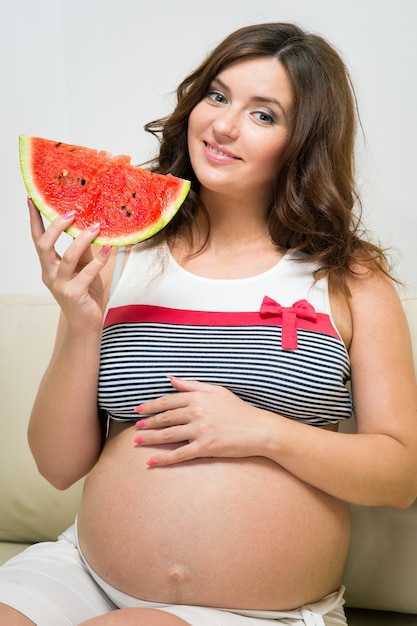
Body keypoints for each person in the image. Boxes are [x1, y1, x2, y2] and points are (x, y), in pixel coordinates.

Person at [1, 21, 416, 626]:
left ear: (305, 140)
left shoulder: (351, 277)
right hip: (84, 574)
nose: (223, 125)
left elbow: (401, 476)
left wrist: (260, 431)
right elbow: (57, 465)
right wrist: (82, 321)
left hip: (260, 612)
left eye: (264, 114)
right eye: (217, 96)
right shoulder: (122, 255)